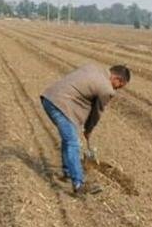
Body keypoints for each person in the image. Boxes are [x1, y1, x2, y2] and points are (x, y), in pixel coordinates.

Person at [40, 63, 131, 195]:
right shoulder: (106, 89)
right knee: (73, 143)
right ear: (117, 79)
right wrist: (88, 130)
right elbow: (96, 113)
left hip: (50, 97)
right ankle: (78, 184)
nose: (117, 89)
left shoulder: (93, 68)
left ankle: (67, 172)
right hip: (60, 105)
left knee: (68, 139)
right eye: (120, 86)